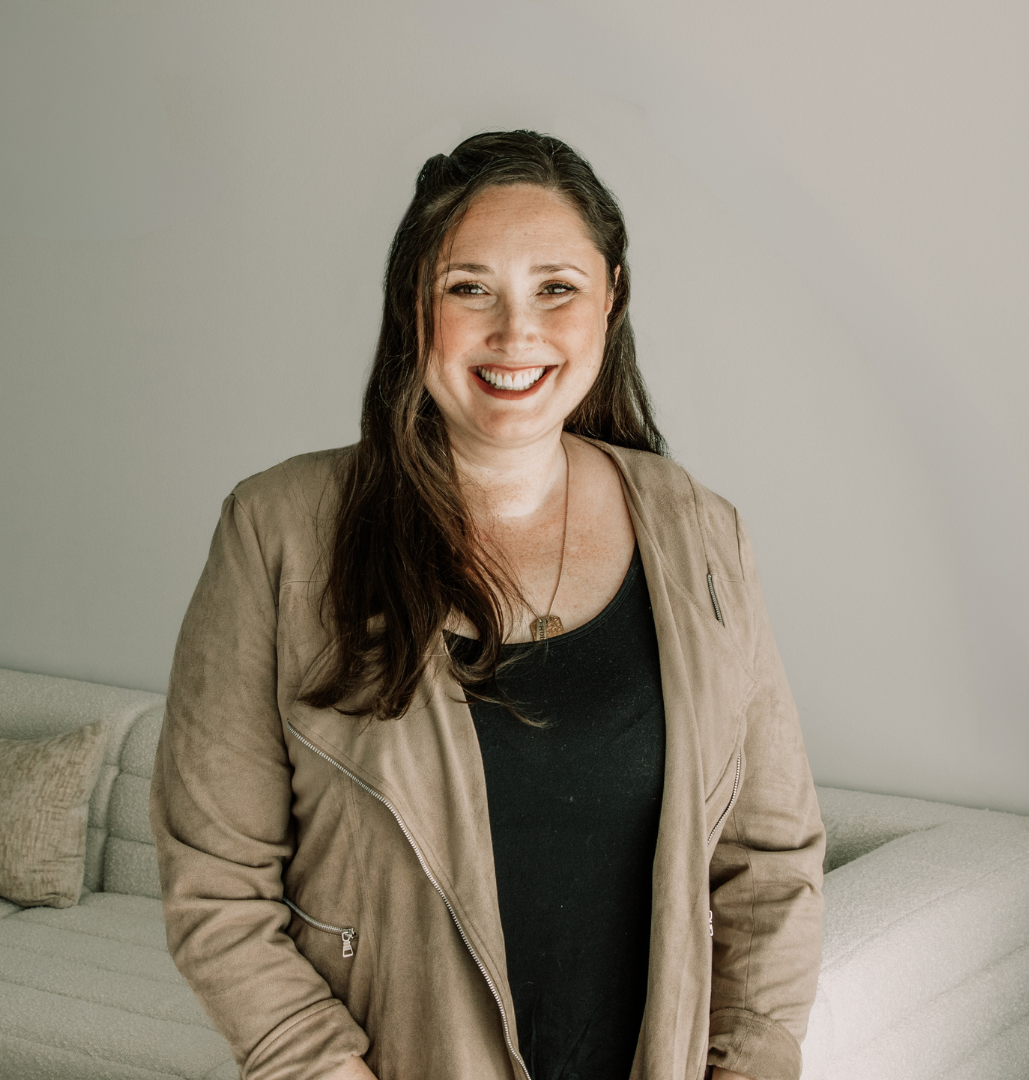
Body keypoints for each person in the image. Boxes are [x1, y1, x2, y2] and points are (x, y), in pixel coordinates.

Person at [150, 130, 825, 1080]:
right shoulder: (279, 531)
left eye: (556, 287)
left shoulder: (702, 532)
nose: (516, 335)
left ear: (611, 299)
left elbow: (772, 857)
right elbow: (216, 882)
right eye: (470, 288)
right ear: (413, 305)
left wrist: (750, 1064)